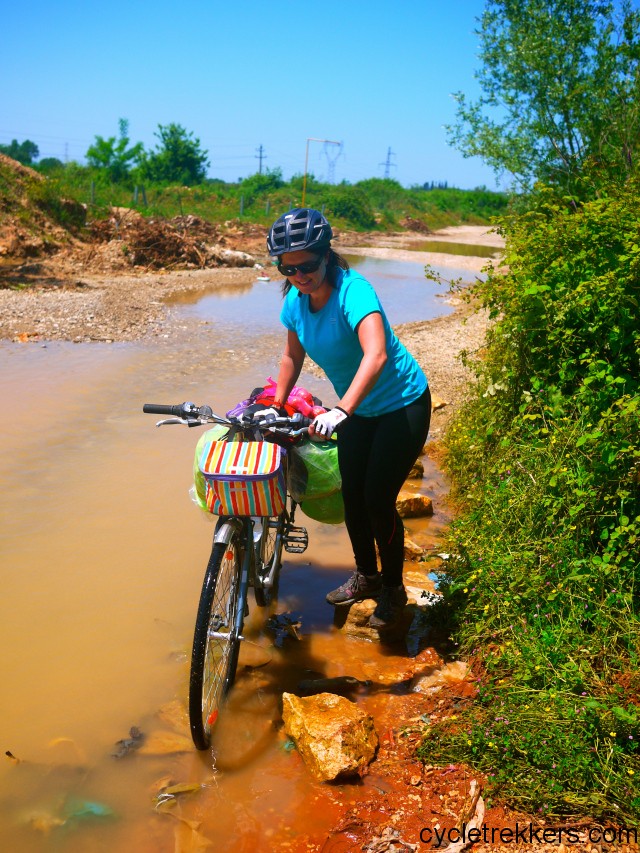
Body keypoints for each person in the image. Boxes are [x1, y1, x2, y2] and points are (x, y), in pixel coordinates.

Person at [266, 208, 431, 628]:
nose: (299, 275)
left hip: (402, 405)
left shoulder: (354, 292)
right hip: (358, 411)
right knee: (351, 496)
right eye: (288, 268)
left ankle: (394, 591)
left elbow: (375, 354)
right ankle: (367, 577)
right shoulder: (294, 301)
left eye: (307, 265)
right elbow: (291, 355)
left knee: (377, 499)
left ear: (326, 255)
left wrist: (341, 410)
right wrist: (276, 404)